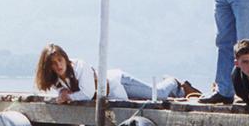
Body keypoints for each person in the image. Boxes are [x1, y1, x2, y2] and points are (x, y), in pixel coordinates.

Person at [35, 43, 199, 103]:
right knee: (146, 100)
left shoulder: (80, 66)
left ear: (65, 58)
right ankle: (179, 92)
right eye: (53, 64)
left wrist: (67, 97)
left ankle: (173, 82)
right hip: (113, 93)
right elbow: (59, 92)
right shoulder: (57, 80)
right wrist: (61, 93)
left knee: (159, 95)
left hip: (119, 82)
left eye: (59, 61)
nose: (58, 66)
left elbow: (87, 92)